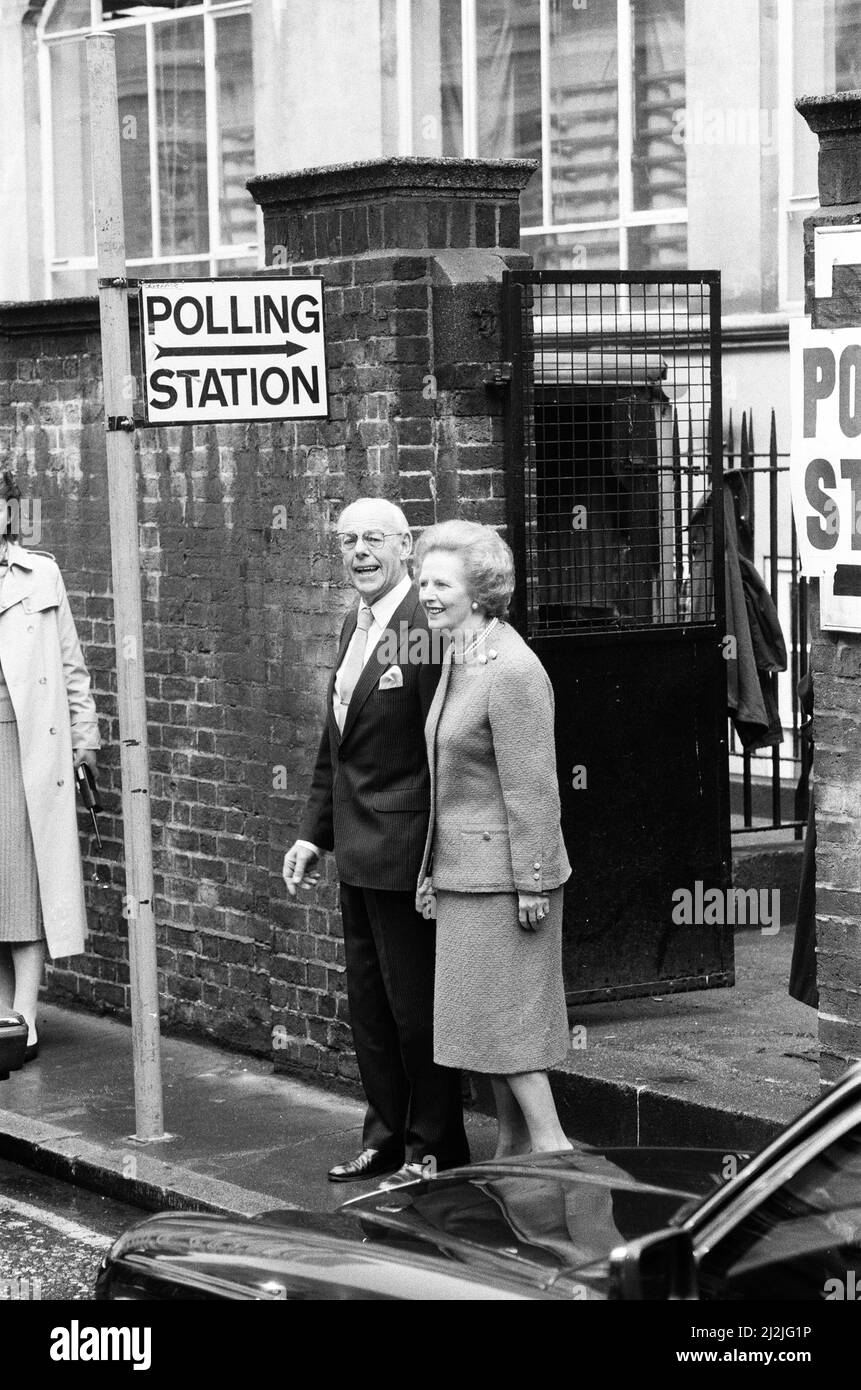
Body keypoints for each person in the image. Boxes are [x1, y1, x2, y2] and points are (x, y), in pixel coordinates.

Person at [282, 497, 469, 1188]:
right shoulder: (351, 624)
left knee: (416, 1014)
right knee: (369, 1010)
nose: (357, 552)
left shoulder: (420, 627)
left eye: (371, 540)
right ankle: (386, 1136)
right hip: (356, 855)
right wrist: (311, 836)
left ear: (405, 547)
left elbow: (442, 749)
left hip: (404, 856)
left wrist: (434, 860)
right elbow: (336, 747)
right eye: (345, 539)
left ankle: (435, 1148)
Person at [415, 519, 573, 1157]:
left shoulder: (513, 668)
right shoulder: (459, 654)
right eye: (422, 579)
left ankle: (555, 1151)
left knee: (506, 1033)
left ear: (478, 591)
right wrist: (432, 869)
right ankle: (513, 1159)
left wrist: (531, 880)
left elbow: (533, 786)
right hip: (463, 877)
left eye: (441, 583)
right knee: (484, 1037)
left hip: (506, 883)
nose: (426, 593)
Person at [0, 473, 100, 1059]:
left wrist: (85, 736)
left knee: (23, 879)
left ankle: (26, 1016)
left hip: (25, 741)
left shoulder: (41, 574)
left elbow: (71, 664)